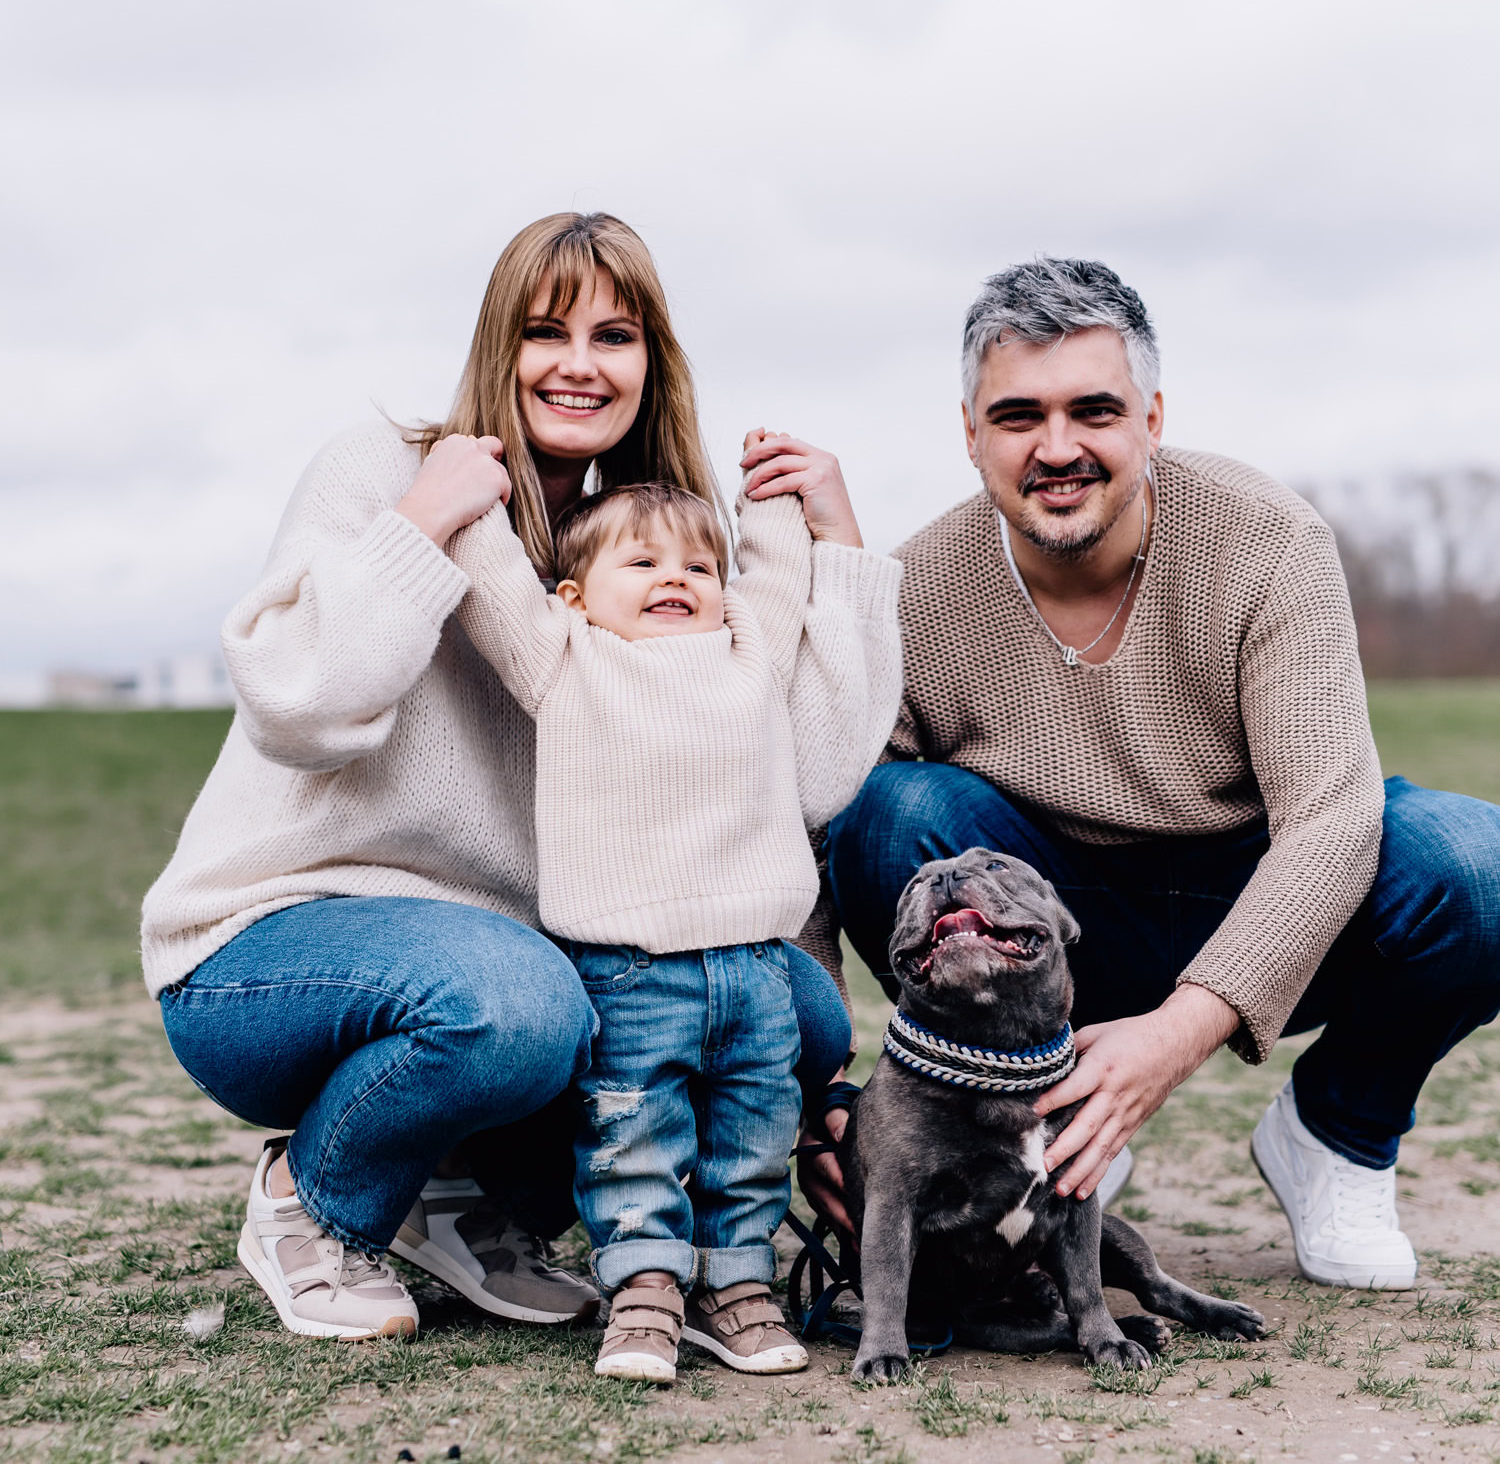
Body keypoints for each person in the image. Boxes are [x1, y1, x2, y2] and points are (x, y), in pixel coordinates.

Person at [141, 211, 902, 1341]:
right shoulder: (392, 467)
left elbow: (800, 778)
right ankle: (312, 1196)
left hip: (510, 957)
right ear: (503, 343)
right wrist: (422, 522)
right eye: (548, 332)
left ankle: (459, 1197)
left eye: (617, 335)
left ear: (654, 363)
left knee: (790, 1013)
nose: (582, 364)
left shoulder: (645, 544)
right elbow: (300, 706)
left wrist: (836, 549)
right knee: (520, 1009)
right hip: (277, 947)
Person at [811, 256, 1500, 1291]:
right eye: (1017, 416)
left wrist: (1178, 1036)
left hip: (1255, 894)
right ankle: (1042, 1124)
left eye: (1094, 409)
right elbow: (821, 834)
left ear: (1152, 416)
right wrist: (817, 1080)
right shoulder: (915, 590)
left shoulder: (1267, 541)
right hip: (1046, 925)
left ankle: (1340, 1136)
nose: (1057, 448)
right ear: (968, 433)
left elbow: (1331, 819)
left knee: (1476, 865)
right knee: (892, 810)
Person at [449, 474, 893, 1383]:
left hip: (759, 972)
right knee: (631, 1139)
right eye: (643, 561)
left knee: (754, 1143)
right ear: (573, 599)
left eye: (698, 563)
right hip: (628, 974)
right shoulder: (565, 658)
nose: (677, 576)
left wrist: (772, 500)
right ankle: (644, 1290)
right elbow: (496, 590)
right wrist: (474, 494)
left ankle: (737, 1286)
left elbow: (774, 579)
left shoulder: (748, 650)